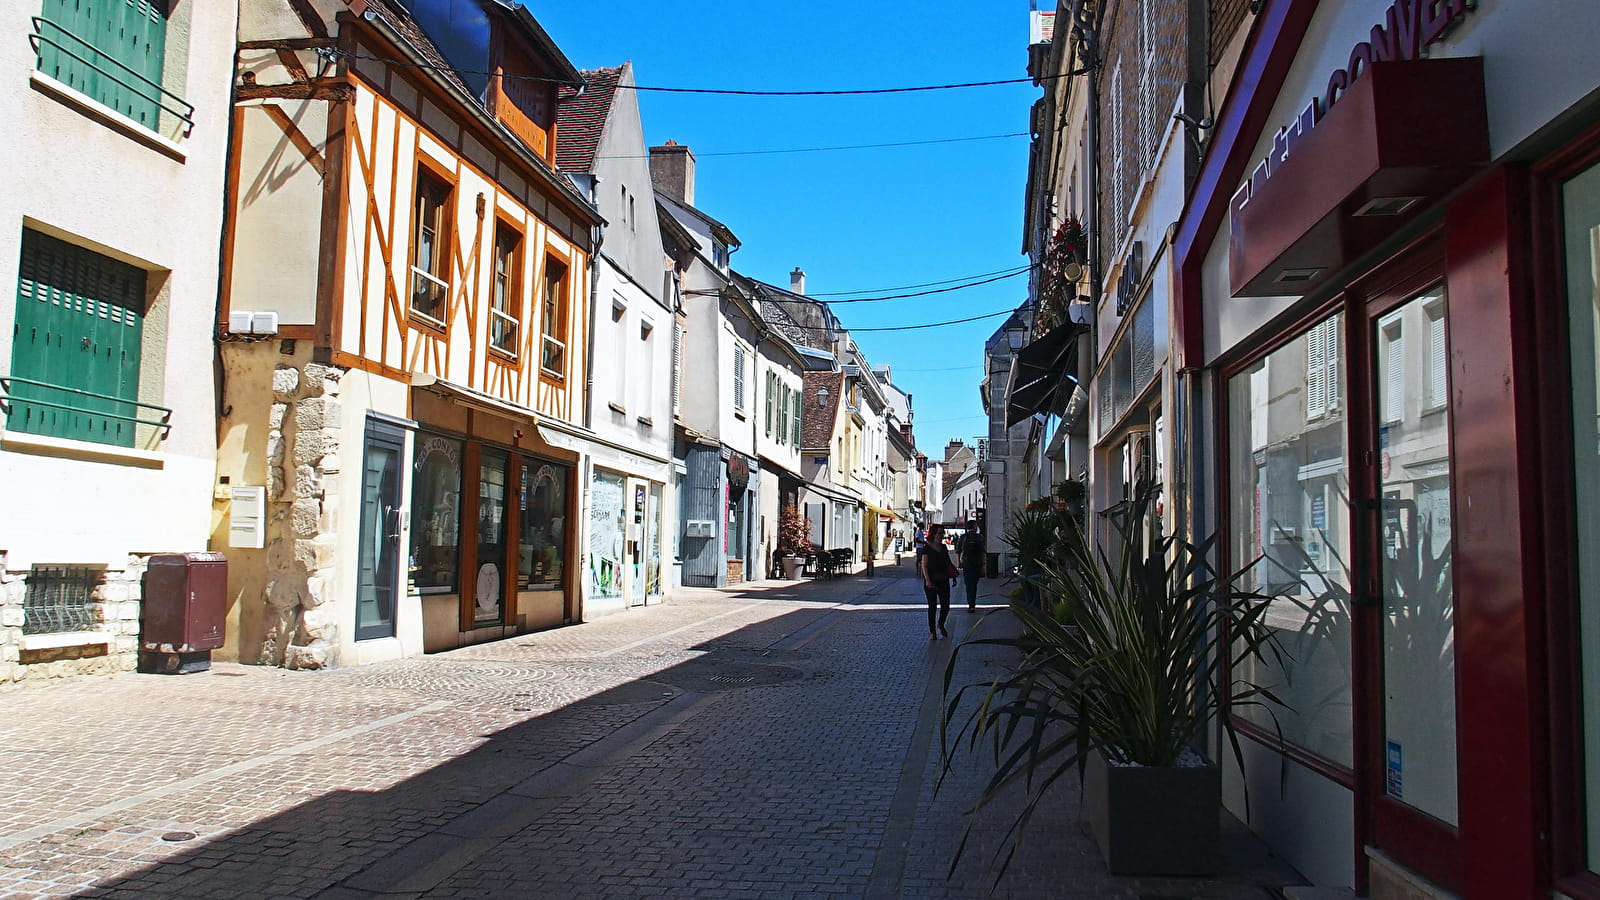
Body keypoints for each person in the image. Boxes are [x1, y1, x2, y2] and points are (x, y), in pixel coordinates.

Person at [917, 523, 956, 638]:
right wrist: (928, 580)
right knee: (932, 606)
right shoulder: (927, 548)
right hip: (932, 581)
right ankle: (932, 630)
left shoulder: (943, 547)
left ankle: (941, 623)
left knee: (946, 605)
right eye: (939, 533)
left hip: (943, 579)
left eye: (942, 533)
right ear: (933, 534)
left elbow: (948, 563)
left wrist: (953, 576)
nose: (941, 535)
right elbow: (924, 565)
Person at [958, 520, 987, 611]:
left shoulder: (963, 537)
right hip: (977, 563)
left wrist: (959, 563)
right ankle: (972, 602)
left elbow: (958, 551)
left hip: (967, 564)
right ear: (975, 526)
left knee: (969, 584)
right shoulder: (980, 537)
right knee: (974, 584)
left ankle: (971, 604)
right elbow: (983, 552)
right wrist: (984, 565)